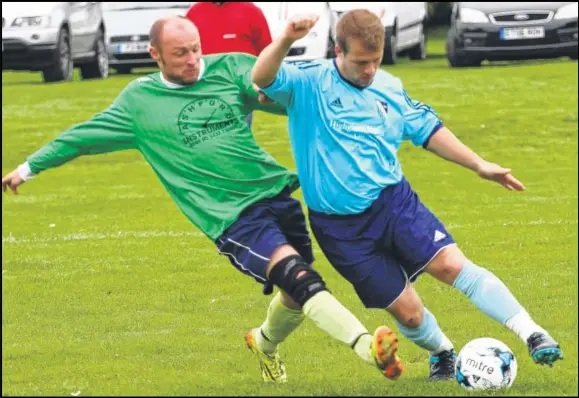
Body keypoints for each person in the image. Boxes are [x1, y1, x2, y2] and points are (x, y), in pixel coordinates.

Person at [1, 16, 405, 384]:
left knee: (295, 294)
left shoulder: (228, 67)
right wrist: (27, 168)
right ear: (154, 54)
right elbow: (81, 138)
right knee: (300, 279)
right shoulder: (138, 103)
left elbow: (287, 94)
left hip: (275, 194)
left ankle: (263, 342)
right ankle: (370, 349)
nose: (193, 60)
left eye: (196, 48)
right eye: (180, 54)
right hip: (230, 217)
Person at [251, 10, 564, 381]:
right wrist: (286, 38)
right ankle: (442, 352)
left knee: (451, 265)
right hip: (340, 230)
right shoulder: (308, 83)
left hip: (393, 203)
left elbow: (427, 129)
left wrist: (480, 165)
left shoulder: (388, 87)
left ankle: (532, 333)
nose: (369, 70)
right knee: (410, 314)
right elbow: (262, 77)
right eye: (361, 62)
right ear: (338, 51)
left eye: (376, 60)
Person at [185, 2, 273, 128]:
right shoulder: (194, 13)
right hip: (204, 89)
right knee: (207, 137)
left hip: (240, 91)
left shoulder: (251, 11)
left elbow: (267, 53)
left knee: (240, 137)